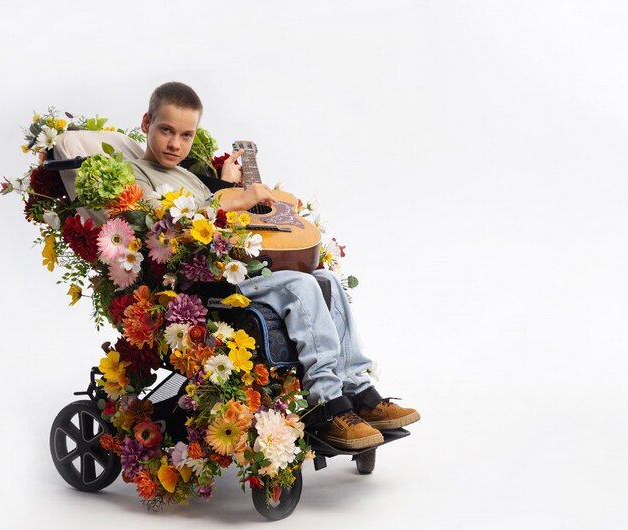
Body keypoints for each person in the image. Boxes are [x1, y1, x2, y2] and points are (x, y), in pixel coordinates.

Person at [130, 82, 420, 450]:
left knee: (326, 278)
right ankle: (326, 402)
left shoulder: (187, 174)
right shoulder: (139, 174)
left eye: (186, 135)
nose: (175, 143)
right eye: (166, 130)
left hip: (238, 265)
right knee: (302, 286)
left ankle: (357, 388)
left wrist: (225, 185)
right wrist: (235, 201)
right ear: (146, 123)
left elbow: (214, 204)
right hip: (206, 282)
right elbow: (161, 220)